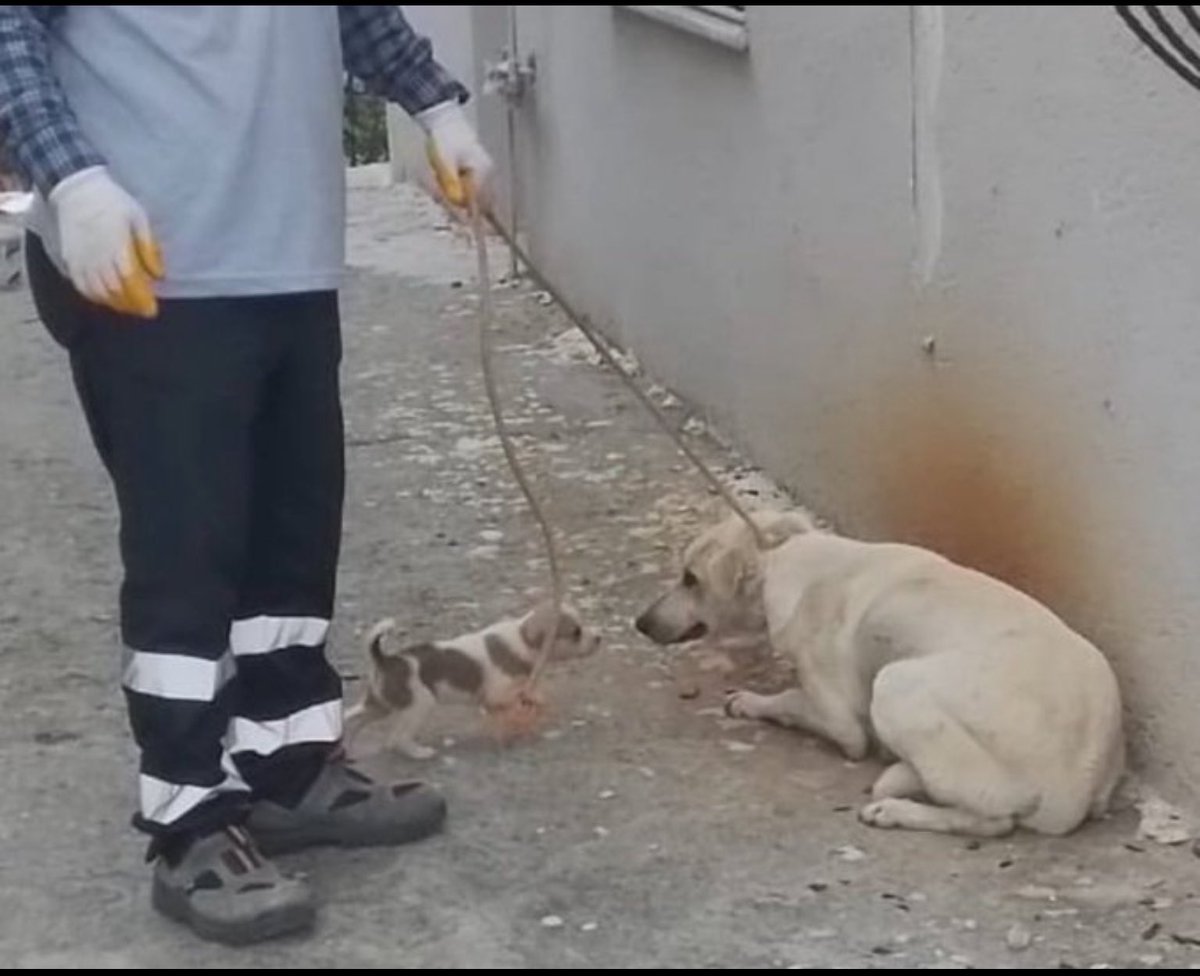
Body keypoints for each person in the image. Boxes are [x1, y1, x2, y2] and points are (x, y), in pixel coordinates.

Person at [0, 6, 493, 945]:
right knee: (189, 559)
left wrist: (438, 109)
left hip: (289, 261)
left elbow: (356, 17)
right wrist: (75, 178)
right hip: (155, 273)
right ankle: (188, 818)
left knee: (292, 540)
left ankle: (289, 767)